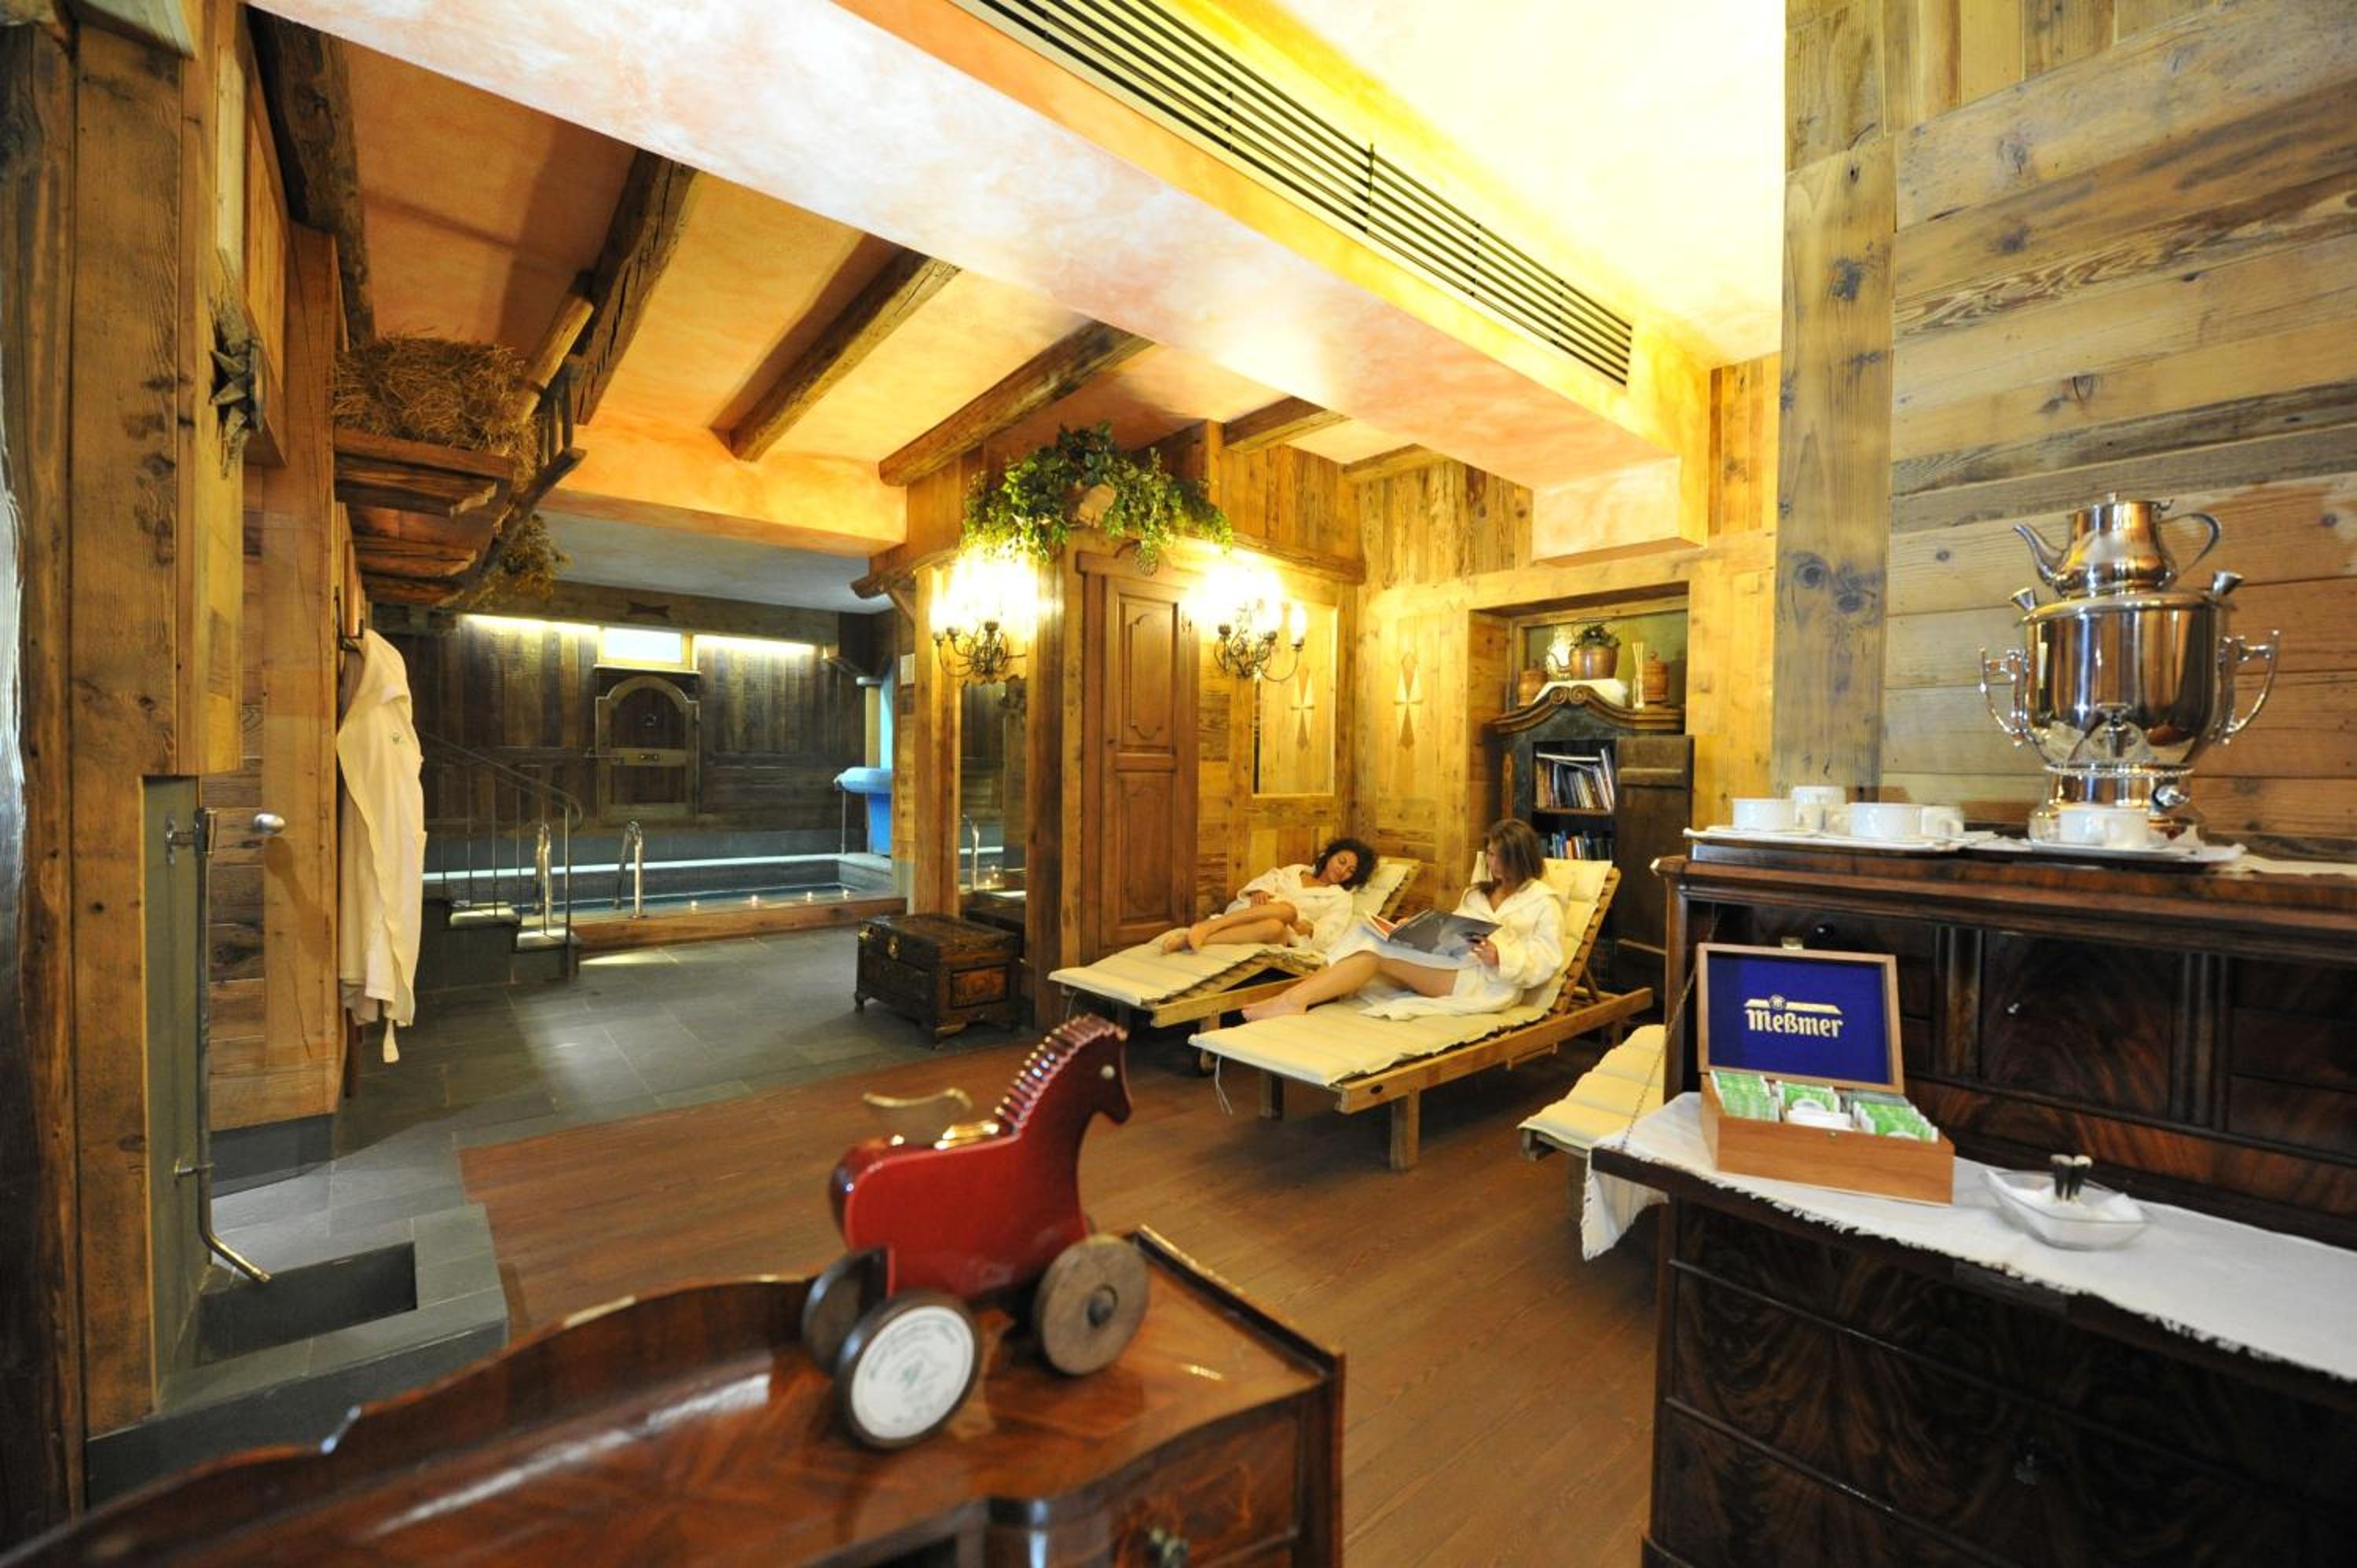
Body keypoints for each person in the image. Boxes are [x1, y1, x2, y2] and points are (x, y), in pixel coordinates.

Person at [1239, 819, 1563, 1021]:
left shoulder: (1543, 901)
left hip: (1485, 982)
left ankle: (1292, 1000)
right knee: (1371, 935)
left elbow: (1548, 960)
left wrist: (1501, 957)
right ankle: (1292, 1000)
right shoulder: (1477, 894)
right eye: (1490, 854)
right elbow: (1455, 934)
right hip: (1453, 964)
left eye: (1500, 855)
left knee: (1373, 956)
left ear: (1520, 857)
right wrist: (1413, 931)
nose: (1493, 863)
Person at [1157, 837, 1378, 956]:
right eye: (1341, 861)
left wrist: (1310, 929)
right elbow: (1268, 880)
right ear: (1329, 856)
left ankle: (1200, 934)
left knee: (1281, 919)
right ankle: (1201, 933)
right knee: (1279, 916)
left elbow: (1331, 935)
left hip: (1287, 934)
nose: (1342, 870)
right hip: (1250, 912)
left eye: (1350, 870)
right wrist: (1260, 891)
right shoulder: (1296, 870)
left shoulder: (1341, 898)